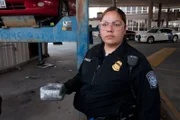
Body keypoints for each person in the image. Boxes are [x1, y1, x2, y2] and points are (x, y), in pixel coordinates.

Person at [60, 6, 160, 120]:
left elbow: (150, 104)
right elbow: (82, 77)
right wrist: (66, 87)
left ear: (124, 28)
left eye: (116, 24)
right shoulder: (93, 52)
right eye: (105, 24)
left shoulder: (136, 61)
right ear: (100, 28)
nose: (109, 29)